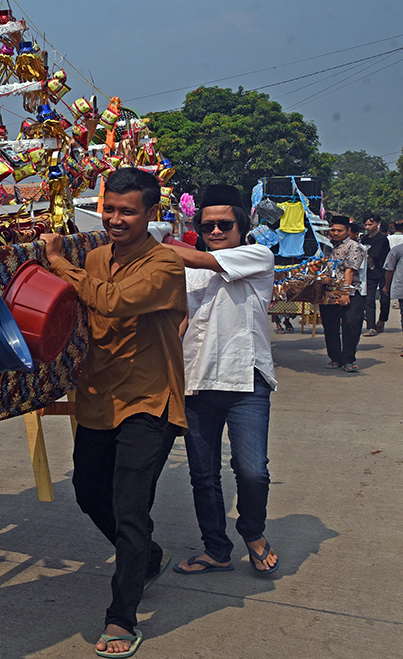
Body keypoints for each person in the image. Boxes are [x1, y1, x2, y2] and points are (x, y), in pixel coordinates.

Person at [41, 167, 186, 658]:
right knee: (87, 492)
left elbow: (114, 301)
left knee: (130, 508)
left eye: (127, 211)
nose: (116, 219)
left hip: (149, 400)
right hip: (100, 398)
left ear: (151, 214)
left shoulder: (165, 265)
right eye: (110, 209)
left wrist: (59, 263)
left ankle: (121, 618)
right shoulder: (97, 256)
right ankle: (147, 556)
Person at [165, 185, 280, 577]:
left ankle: (252, 531)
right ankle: (216, 548)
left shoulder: (258, 256)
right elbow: (182, 319)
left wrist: (155, 241)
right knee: (203, 475)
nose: (215, 231)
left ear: (241, 224)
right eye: (207, 224)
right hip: (196, 382)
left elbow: (199, 257)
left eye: (224, 224)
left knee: (252, 470)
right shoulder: (189, 271)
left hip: (246, 382)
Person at [319, 215, 366, 372]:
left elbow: (349, 270)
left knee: (351, 324)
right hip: (329, 291)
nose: (335, 233)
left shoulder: (355, 247)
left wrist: (345, 292)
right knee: (330, 325)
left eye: (339, 230)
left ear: (348, 230)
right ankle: (335, 358)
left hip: (350, 292)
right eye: (333, 230)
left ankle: (348, 359)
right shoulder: (326, 245)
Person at [361, 214, 391, 336]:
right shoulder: (364, 239)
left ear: (378, 224)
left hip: (383, 271)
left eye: (370, 224)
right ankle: (371, 326)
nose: (368, 227)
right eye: (366, 224)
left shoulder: (382, 239)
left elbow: (372, 255)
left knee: (384, 298)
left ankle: (382, 320)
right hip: (370, 272)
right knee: (369, 299)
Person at [381, 242, 403, 350]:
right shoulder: (398, 250)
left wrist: (387, 286)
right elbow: (389, 269)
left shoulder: (397, 249)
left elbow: (389, 270)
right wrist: (387, 286)